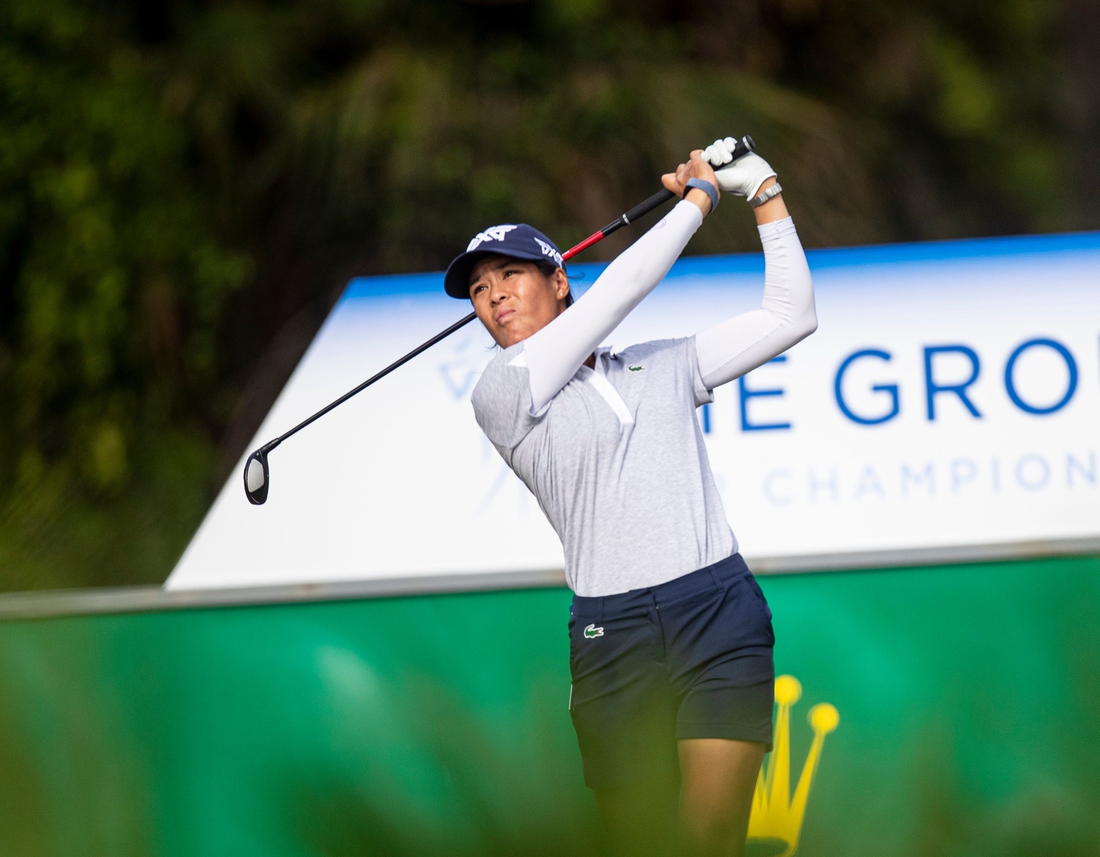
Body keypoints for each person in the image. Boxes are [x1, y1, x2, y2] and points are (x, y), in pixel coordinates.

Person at [443, 138, 816, 857]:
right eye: (480, 289)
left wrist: (763, 190)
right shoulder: (501, 392)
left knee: (710, 839)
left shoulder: (661, 365)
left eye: (510, 274)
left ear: (558, 281)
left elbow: (791, 315)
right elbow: (620, 291)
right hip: (611, 636)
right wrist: (699, 200)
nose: (493, 296)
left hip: (716, 608)